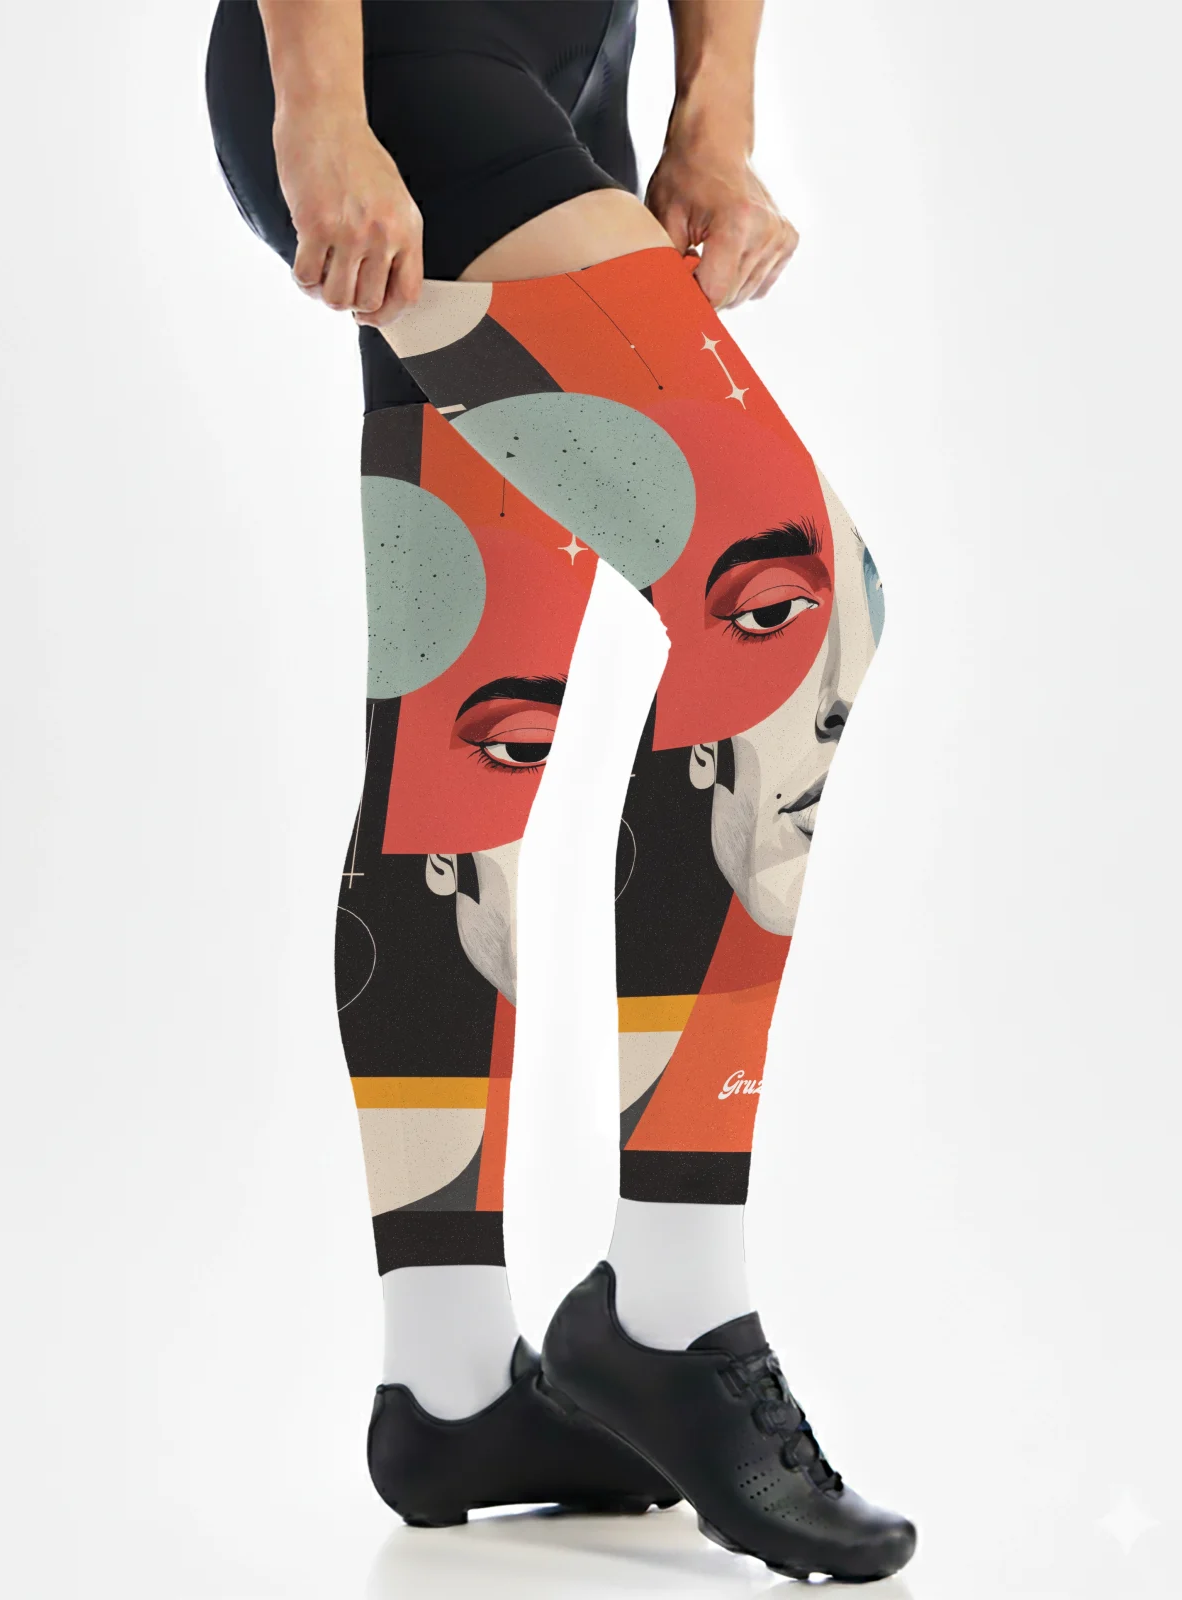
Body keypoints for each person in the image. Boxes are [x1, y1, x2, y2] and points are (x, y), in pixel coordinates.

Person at [205, 0, 915, 1582]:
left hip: (565, 80)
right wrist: (320, 103)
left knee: (470, 734)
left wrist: (714, 113)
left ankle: (451, 1388)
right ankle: (671, 1304)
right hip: (397, 61)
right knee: (792, 600)